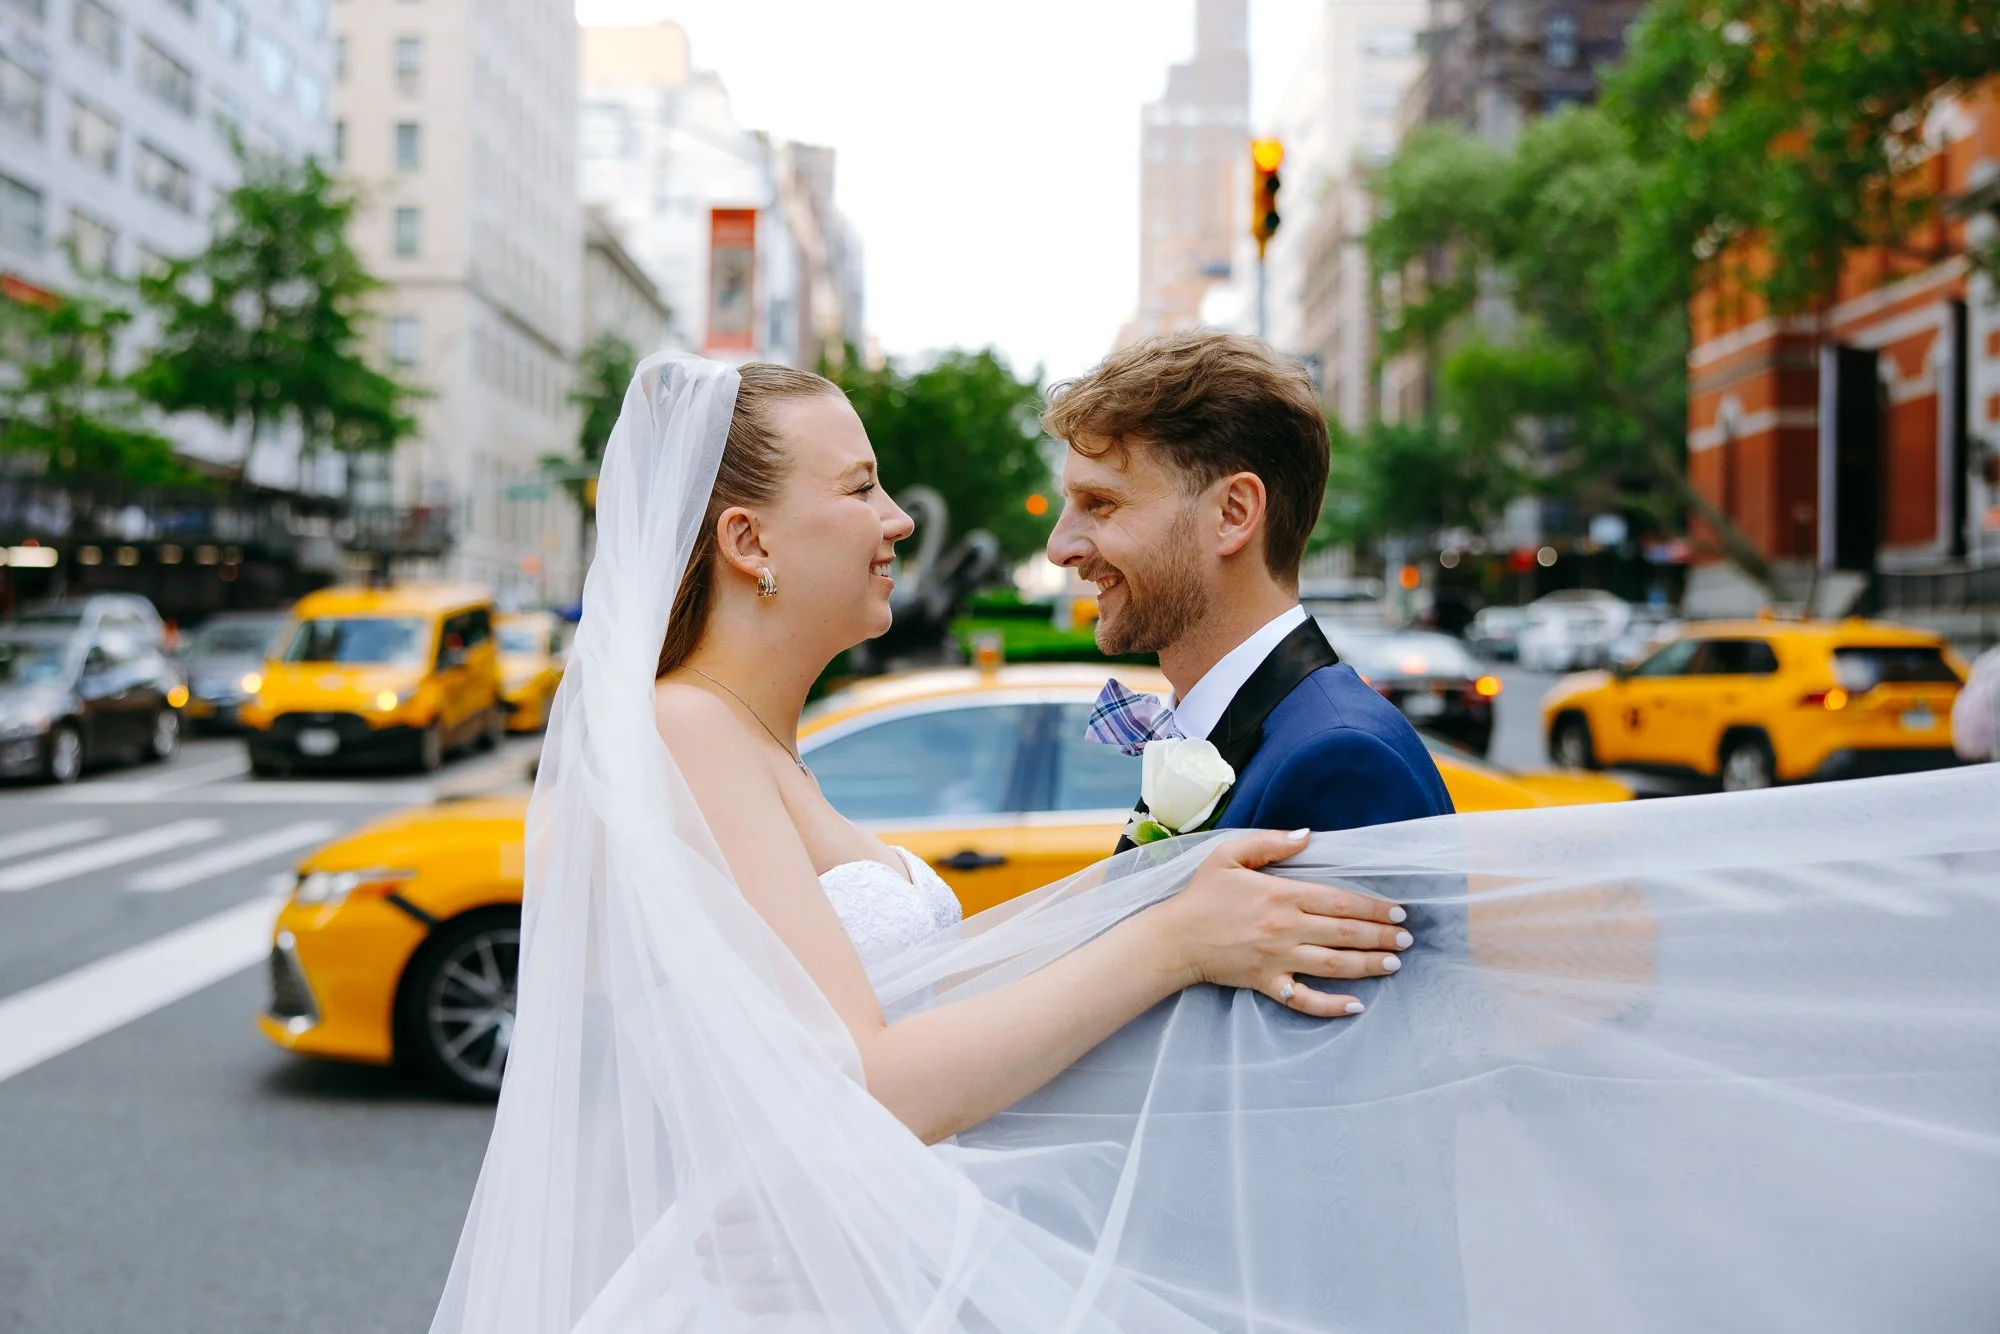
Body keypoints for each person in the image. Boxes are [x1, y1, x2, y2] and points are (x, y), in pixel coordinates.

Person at [430, 351, 2000, 1334]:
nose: (911, 515)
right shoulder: (698, 731)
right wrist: (1168, 930)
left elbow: (1377, 1101)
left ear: (1230, 514)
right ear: (750, 540)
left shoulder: (754, 742)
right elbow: (853, 1076)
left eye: (1096, 504)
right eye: (862, 485)